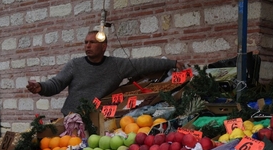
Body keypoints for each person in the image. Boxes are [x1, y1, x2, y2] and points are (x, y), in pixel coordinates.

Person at [26, 30, 185, 116]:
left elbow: (142, 64)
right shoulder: (75, 64)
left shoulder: (116, 66)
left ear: (104, 47)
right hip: (72, 118)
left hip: (99, 118)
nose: (87, 46)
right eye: (86, 42)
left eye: (92, 42)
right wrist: (41, 87)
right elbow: (56, 83)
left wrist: (172, 63)